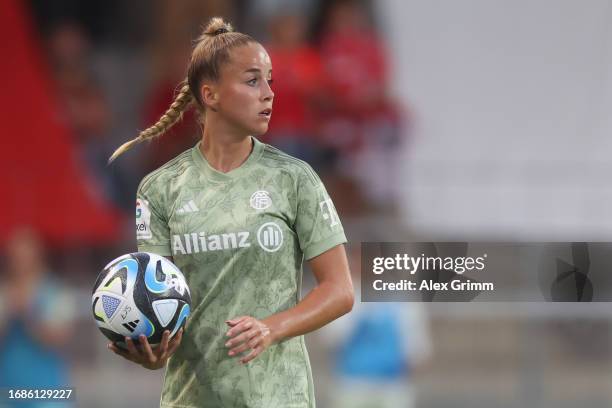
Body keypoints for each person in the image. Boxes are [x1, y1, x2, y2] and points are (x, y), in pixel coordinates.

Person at [107, 17, 354, 408]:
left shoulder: (294, 179)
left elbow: (340, 291)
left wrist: (271, 329)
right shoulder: (159, 190)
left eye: (270, 80)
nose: (269, 93)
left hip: (280, 399)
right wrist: (152, 353)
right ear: (211, 94)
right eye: (253, 80)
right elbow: (158, 306)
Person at [0, 227, 75, 408]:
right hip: (7, 391)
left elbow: (60, 338)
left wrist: (29, 314)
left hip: (48, 392)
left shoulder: (55, 292)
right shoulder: (4, 293)